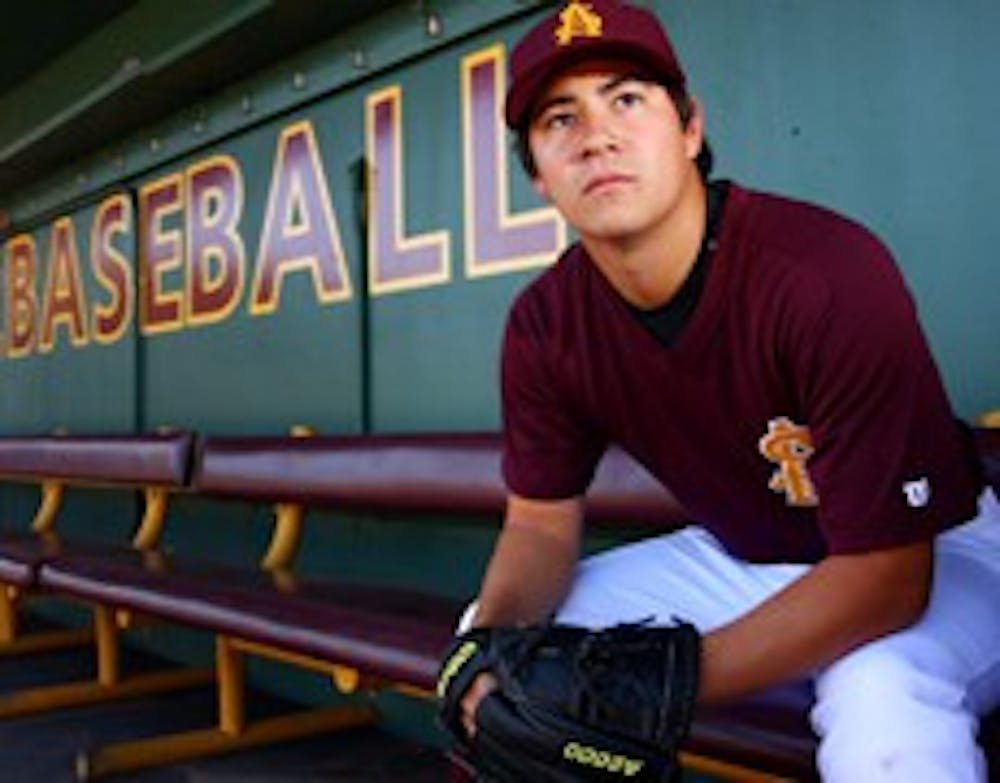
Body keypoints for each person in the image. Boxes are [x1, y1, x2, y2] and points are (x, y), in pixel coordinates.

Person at [450, 1, 1000, 781]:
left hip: (942, 551)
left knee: (881, 697)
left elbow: (888, 577)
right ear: (538, 174)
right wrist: (489, 645)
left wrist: (662, 683)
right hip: (747, 556)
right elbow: (539, 528)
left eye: (627, 98)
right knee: (505, 650)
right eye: (559, 119)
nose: (597, 135)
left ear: (690, 129)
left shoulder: (825, 271)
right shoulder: (545, 322)